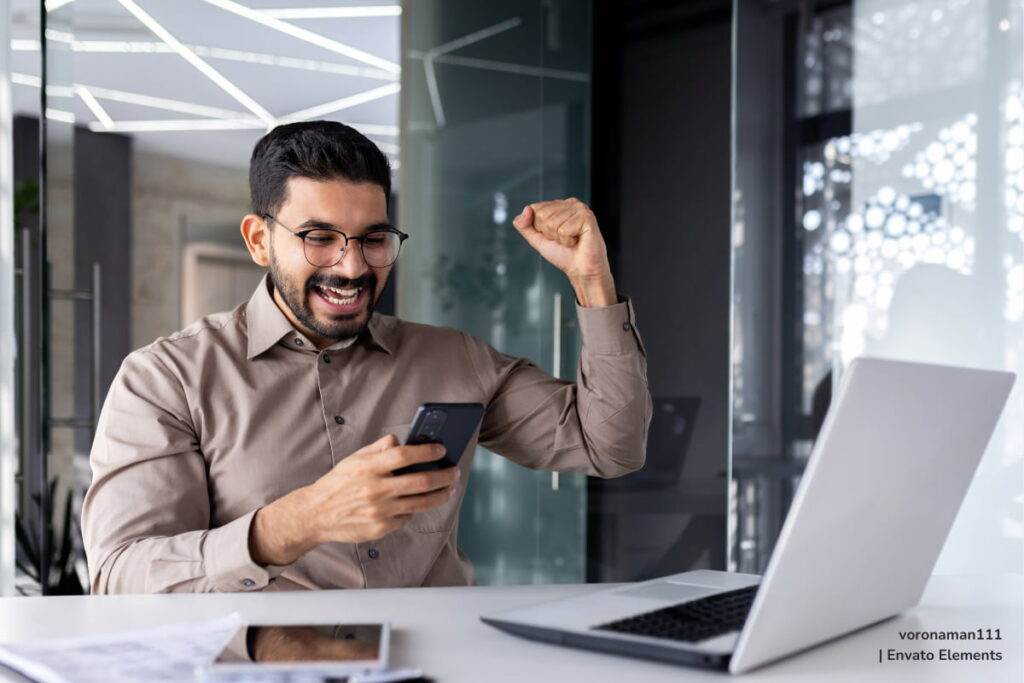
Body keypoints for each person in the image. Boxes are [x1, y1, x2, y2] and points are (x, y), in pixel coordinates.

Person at [82, 121, 651, 593]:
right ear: (259, 240)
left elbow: (610, 446)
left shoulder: (456, 359)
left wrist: (593, 282)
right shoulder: (165, 379)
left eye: (373, 238)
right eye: (319, 237)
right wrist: (299, 522)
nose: (352, 267)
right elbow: (119, 578)